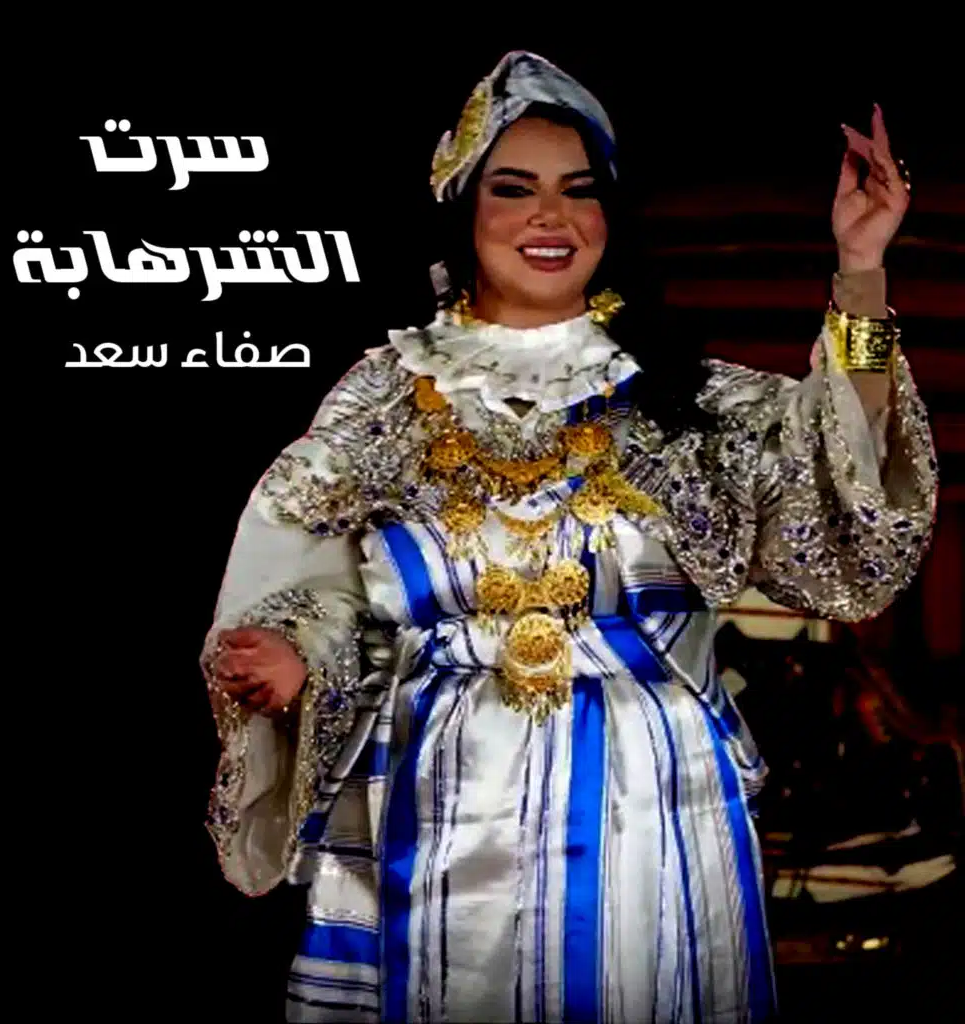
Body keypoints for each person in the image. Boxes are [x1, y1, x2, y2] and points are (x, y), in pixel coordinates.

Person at [200, 51, 937, 1023]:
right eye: (514, 189)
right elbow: (328, 590)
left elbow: (847, 488)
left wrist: (860, 270)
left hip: (649, 808)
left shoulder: (682, 398)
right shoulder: (383, 396)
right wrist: (298, 654)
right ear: (464, 212)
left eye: (577, 191)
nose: (550, 217)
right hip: (439, 800)